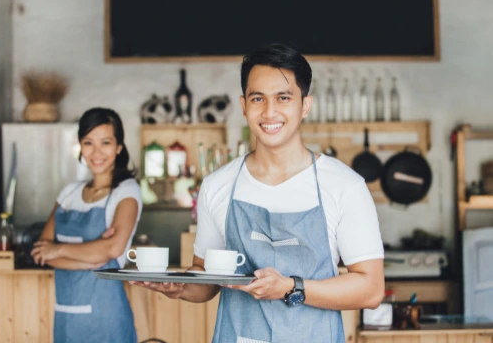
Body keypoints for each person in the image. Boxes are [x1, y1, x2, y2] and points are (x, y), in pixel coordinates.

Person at [131, 44, 385, 342]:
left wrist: (291, 286)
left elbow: (371, 289)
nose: (269, 111)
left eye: (283, 97)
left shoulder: (344, 186)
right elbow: (206, 278)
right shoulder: (218, 185)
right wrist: (181, 288)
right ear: (243, 105)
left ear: (305, 105)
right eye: (258, 98)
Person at [31, 108, 142, 343]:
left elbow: (112, 249)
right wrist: (93, 255)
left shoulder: (126, 192)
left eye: (106, 142)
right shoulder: (69, 193)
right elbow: (42, 253)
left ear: (119, 146)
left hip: (107, 319)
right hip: (66, 318)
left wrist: (59, 249)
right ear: (80, 145)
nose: (96, 152)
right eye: (88, 142)